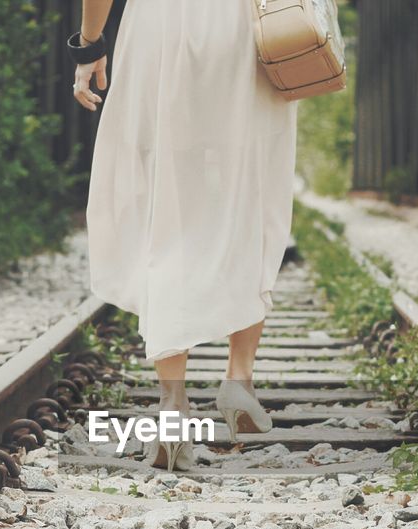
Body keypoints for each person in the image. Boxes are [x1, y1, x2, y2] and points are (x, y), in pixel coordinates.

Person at [71, 0, 298, 471]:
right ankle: (239, 378)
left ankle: (173, 408)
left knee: (165, 209)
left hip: (158, 30)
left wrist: (90, 44)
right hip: (245, 33)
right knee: (249, 194)